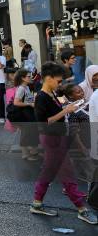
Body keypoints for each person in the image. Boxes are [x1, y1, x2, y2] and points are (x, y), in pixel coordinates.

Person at [31, 62, 97, 224]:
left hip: (58, 137)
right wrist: (66, 110)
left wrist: (68, 108)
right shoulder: (41, 97)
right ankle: (82, 209)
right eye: (58, 81)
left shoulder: (51, 94)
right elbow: (43, 123)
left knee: (48, 172)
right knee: (67, 173)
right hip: (52, 139)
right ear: (48, 78)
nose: (60, 84)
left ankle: (37, 203)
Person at [12, 69, 38, 160]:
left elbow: (27, 99)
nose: (31, 77)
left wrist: (33, 100)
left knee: (29, 133)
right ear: (23, 78)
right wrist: (29, 104)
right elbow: (16, 102)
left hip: (28, 114)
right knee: (25, 134)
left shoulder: (26, 87)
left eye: (31, 76)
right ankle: (25, 154)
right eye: (28, 76)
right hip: (23, 114)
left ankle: (32, 151)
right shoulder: (21, 88)